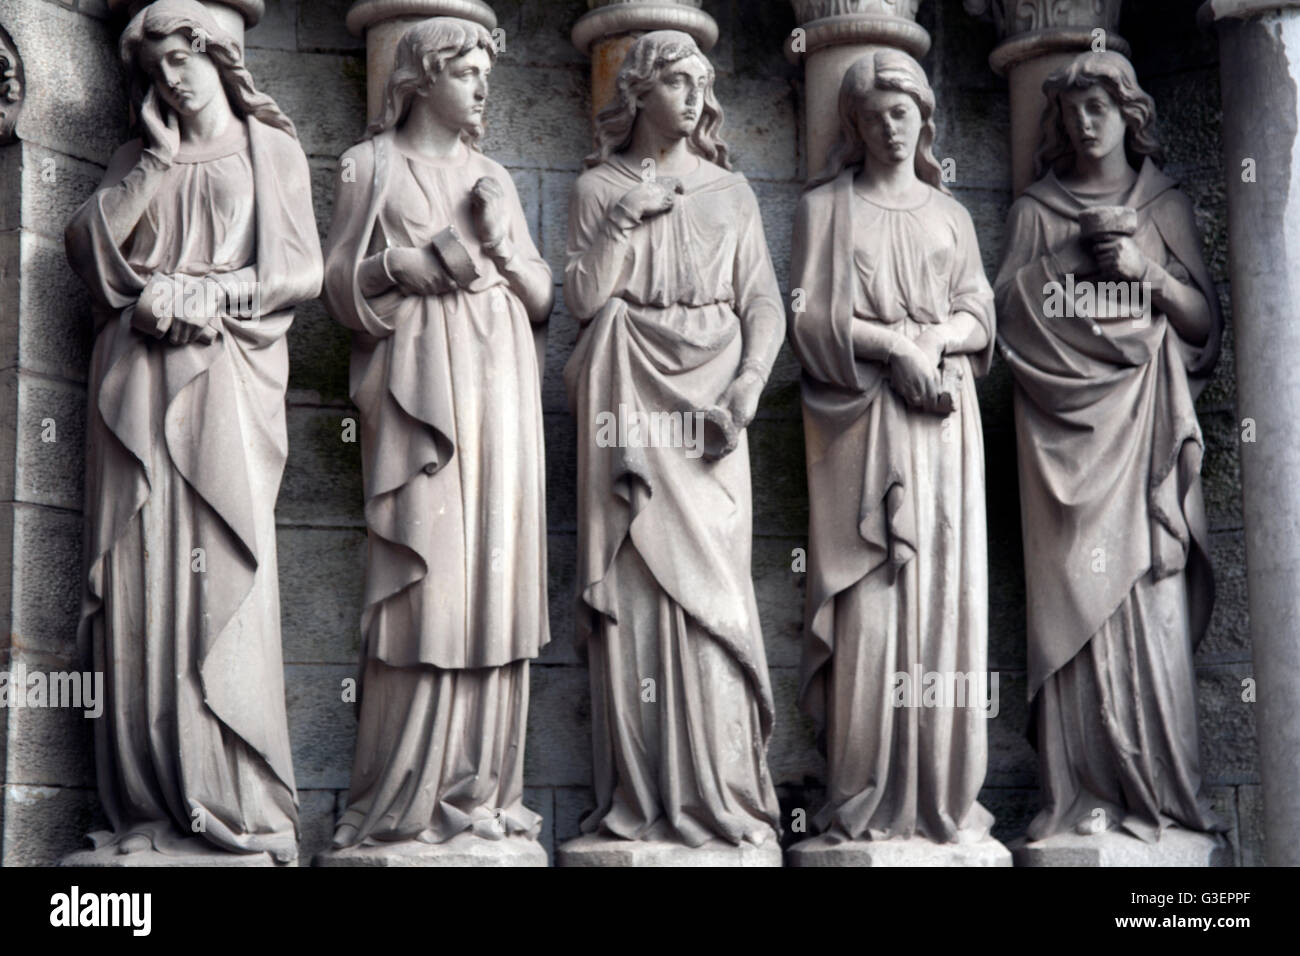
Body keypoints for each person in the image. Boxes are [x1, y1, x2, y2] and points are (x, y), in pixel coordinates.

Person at [64, 0, 321, 861]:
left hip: (225, 385)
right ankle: (148, 808)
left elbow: (299, 270)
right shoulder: (138, 156)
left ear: (221, 57)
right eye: (157, 66)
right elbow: (89, 254)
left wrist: (216, 292)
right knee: (139, 586)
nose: (170, 78)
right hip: (134, 388)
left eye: (184, 58)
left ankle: (230, 801)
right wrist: (155, 168)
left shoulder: (268, 149)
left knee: (217, 577)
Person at [322, 17, 552, 850]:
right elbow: (337, 284)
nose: (483, 87)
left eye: (488, 72)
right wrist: (396, 268)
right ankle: (401, 798)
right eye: (467, 71)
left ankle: (481, 790)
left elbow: (541, 297)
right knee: (428, 583)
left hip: (500, 399)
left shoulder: (494, 178)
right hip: (419, 401)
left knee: (492, 583)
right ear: (421, 77)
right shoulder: (369, 166)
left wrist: (498, 242)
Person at [993, 50, 1225, 842]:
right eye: (1071, 111)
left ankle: (1160, 801)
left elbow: (1206, 330)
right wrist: (1067, 264)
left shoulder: (1163, 204)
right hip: (1064, 453)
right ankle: (1081, 793)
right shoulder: (1036, 213)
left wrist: (1147, 276)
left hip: (1148, 443)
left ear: (1132, 114)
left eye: (1100, 107)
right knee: (1074, 620)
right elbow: (1007, 329)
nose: (1085, 123)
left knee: (1153, 617)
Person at [563, 30, 786, 849]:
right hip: (629, 402)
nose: (692, 98)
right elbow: (585, 301)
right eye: (676, 83)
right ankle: (646, 797)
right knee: (638, 596)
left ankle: (722, 789)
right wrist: (623, 219)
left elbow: (764, 302)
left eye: (702, 83)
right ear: (639, 95)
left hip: (714, 419)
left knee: (716, 599)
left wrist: (749, 383)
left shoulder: (732, 193)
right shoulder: (599, 187)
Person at [789, 49, 998, 844]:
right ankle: (864, 794)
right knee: (872, 609)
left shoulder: (952, 216)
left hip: (944, 430)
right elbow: (810, 322)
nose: (889, 125)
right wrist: (892, 348)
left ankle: (939, 798)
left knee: (944, 602)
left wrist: (936, 343)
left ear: (924, 116)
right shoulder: (825, 209)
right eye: (873, 115)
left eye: (902, 110)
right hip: (860, 428)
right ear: (853, 124)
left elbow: (981, 312)